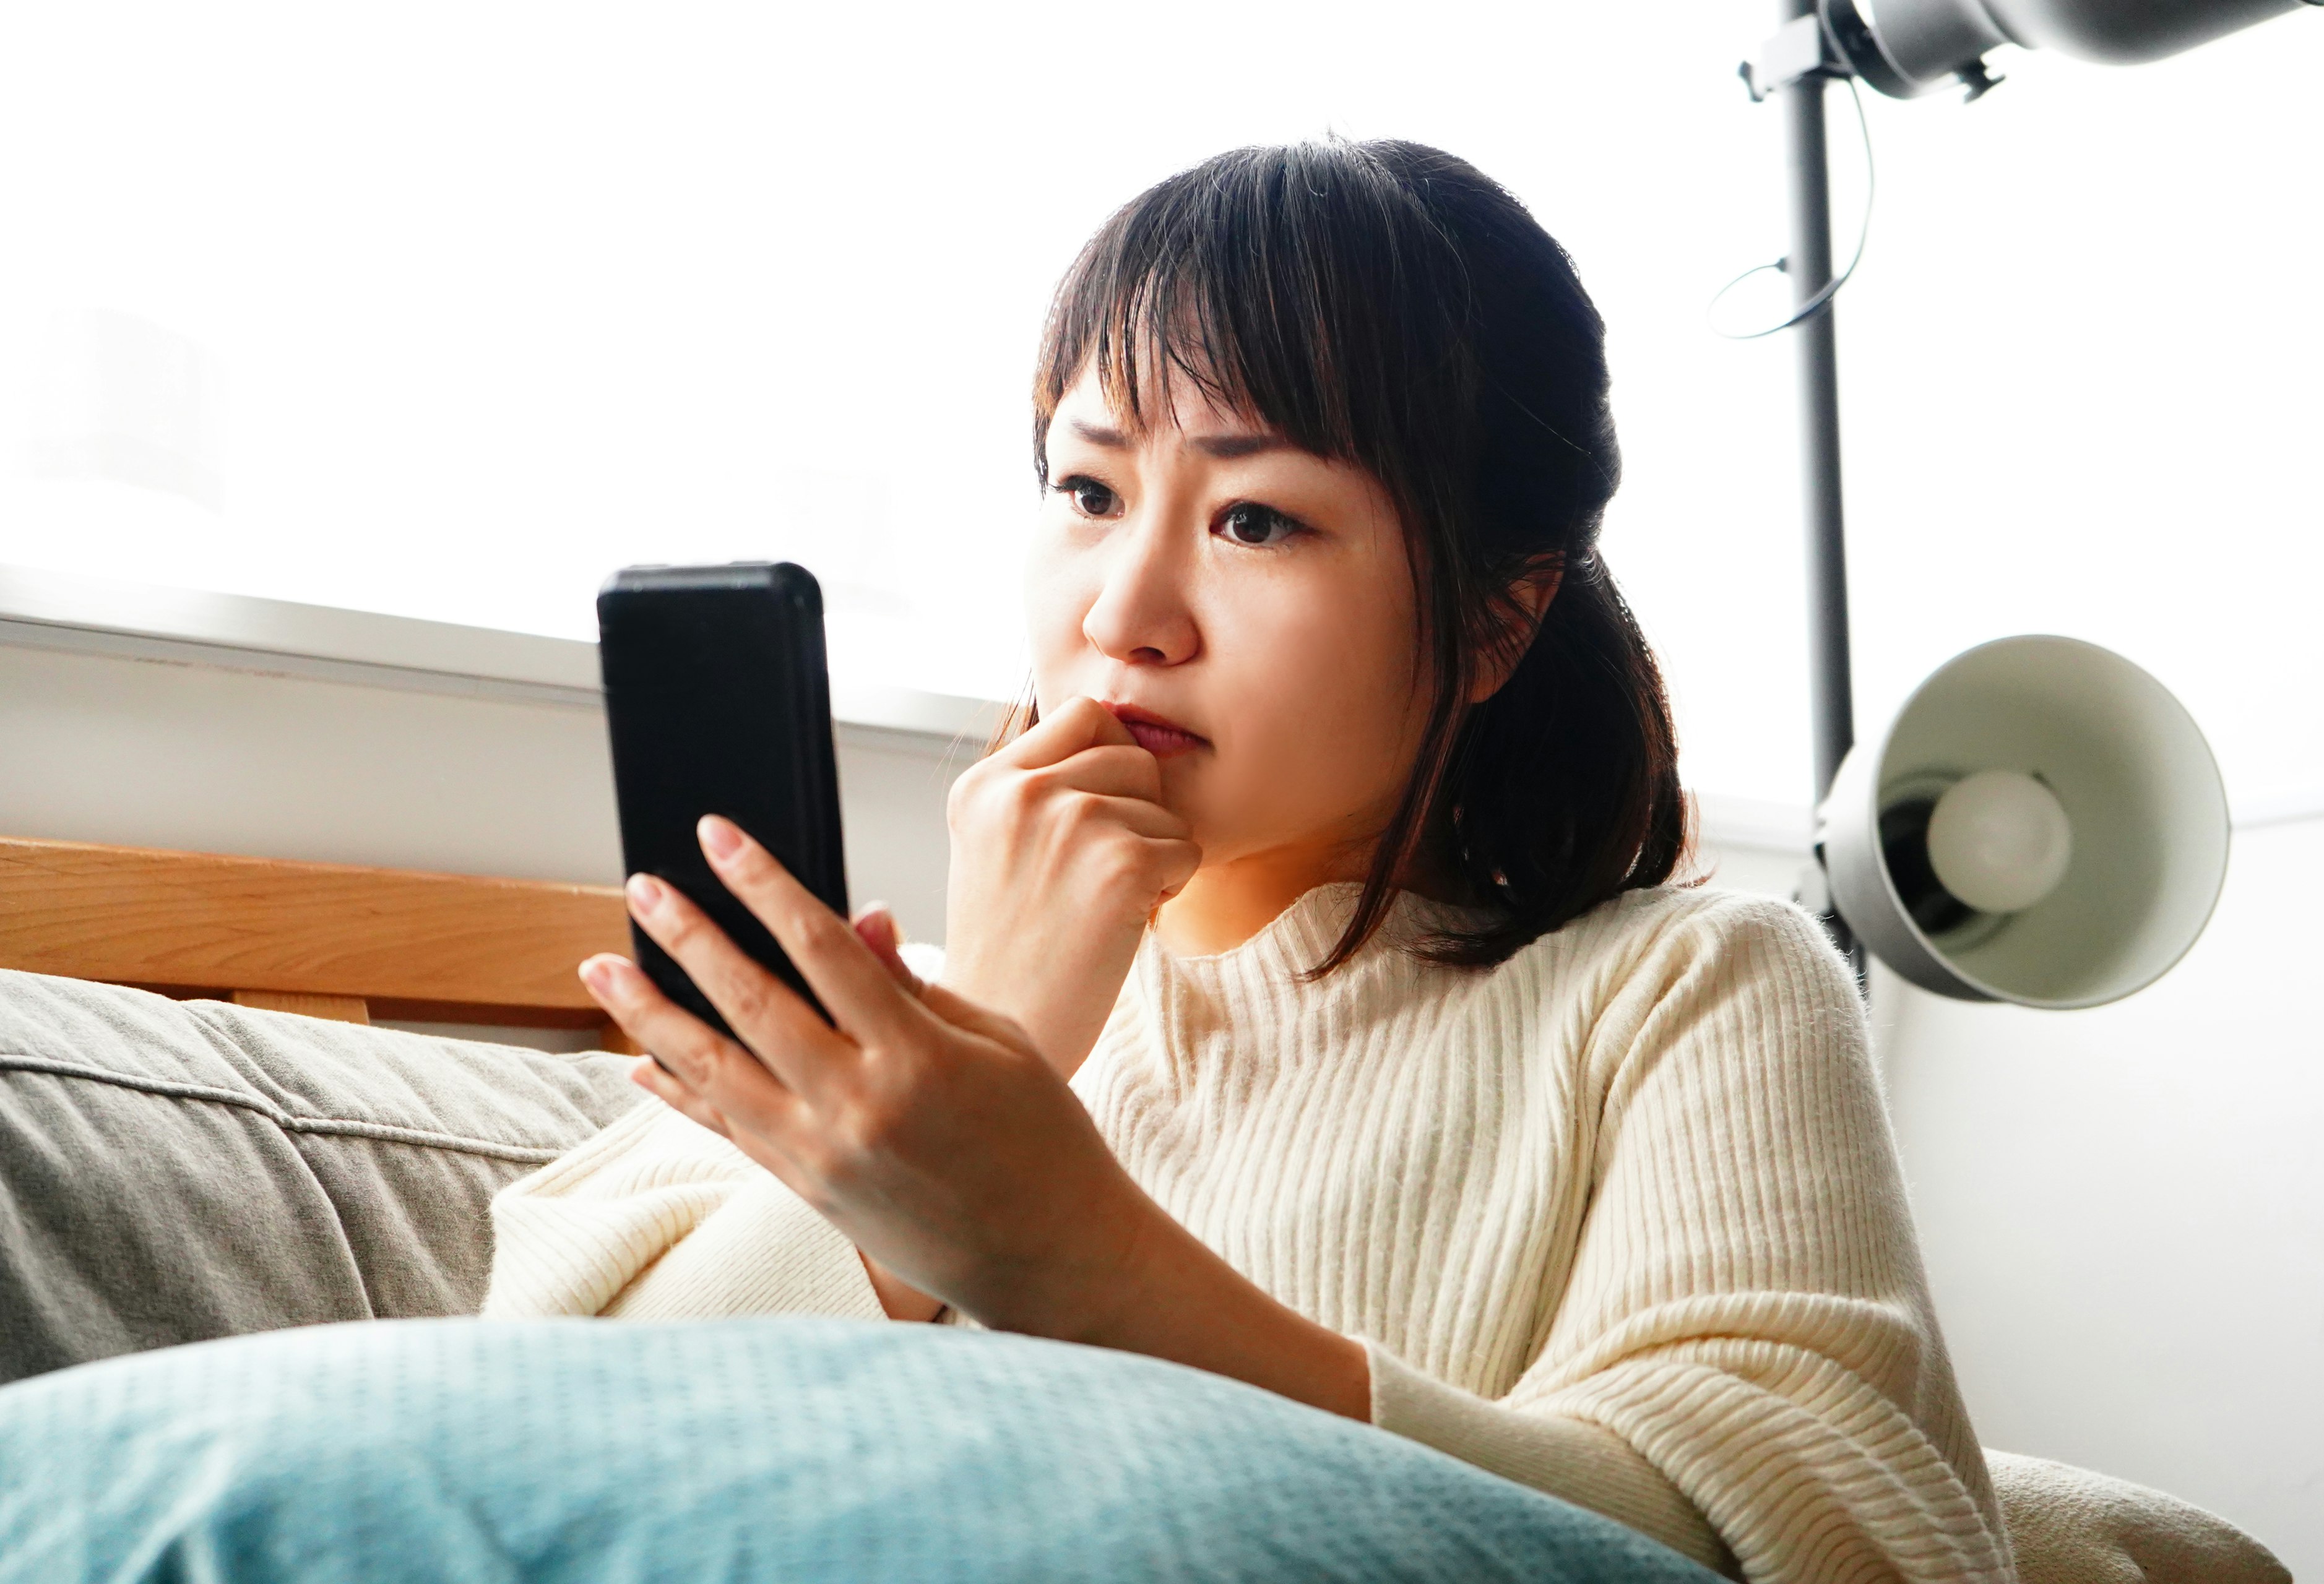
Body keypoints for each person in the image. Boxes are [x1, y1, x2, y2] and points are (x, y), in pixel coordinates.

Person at [478, 139, 2016, 1584]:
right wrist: (996, 1038)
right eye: (1087, 491)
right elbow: (525, 1475)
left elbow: (1858, 1538)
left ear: (1497, 617)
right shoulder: (884, 1031)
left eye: (1258, 518)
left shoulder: (1680, 989)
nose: (1126, 610)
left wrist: (1084, 1261)